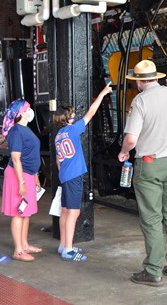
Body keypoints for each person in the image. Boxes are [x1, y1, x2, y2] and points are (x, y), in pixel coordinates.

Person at [118, 60, 167, 286]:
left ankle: (153, 271)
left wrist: (124, 152)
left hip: (149, 164)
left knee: (152, 218)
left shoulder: (140, 101)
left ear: (141, 82)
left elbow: (131, 139)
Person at [53, 82, 112, 261]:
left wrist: (63, 174)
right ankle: (69, 249)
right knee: (74, 211)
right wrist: (102, 93)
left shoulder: (59, 134)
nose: (75, 115)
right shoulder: (73, 130)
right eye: (72, 114)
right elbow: (91, 112)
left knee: (64, 210)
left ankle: (63, 244)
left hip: (64, 175)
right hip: (74, 176)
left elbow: (58, 160)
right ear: (69, 118)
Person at [1, 99, 42, 262]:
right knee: (18, 213)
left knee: (26, 212)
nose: (31, 110)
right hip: (18, 176)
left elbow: (31, 155)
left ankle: (24, 244)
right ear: (21, 113)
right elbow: (16, 159)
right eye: (28, 108)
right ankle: (18, 251)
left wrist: (35, 176)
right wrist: (22, 183)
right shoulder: (16, 131)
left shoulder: (24, 129)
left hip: (28, 174)